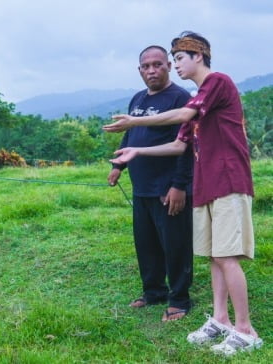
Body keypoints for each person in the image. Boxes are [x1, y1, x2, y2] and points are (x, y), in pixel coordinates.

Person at [103, 31, 262, 356]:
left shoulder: (217, 82)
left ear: (197, 56)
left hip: (229, 179)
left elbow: (183, 117)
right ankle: (220, 320)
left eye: (177, 59)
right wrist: (135, 151)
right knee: (215, 257)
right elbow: (179, 143)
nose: (175, 66)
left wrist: (133, 121)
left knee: (227, 256)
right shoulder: (196, 99)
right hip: (207, 185)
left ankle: (246, 330)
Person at [108, 45, 193, 322]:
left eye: (158, 64)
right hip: (141, 187)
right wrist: (118, 165)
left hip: (168, 188)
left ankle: (179, 299)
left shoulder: (180, 98)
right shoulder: (138, 99)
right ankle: (154, 291)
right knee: (146, 244)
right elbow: (131, 135)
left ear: (168, 65)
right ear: (140, 70)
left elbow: (186, 145)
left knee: (175, 244)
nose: (152, 70)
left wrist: (179, 186)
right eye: (146, 66)